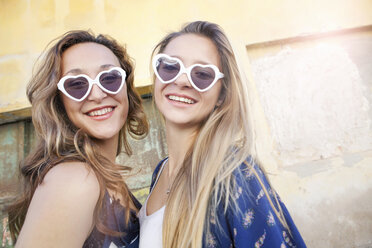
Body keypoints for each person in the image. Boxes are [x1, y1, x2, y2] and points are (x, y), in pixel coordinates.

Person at [138, 21, 307, 248]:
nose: (181, 80)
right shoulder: (161, 172)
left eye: (202, 74)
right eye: (170, 66)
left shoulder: (234, 172)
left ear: (221, 95)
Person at [7, 30, 148, 247]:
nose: (98, 94)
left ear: (126, 88)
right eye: (77, 84)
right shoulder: (75, 180)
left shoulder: (104, 176)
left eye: (109, 78)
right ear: (59, 103)